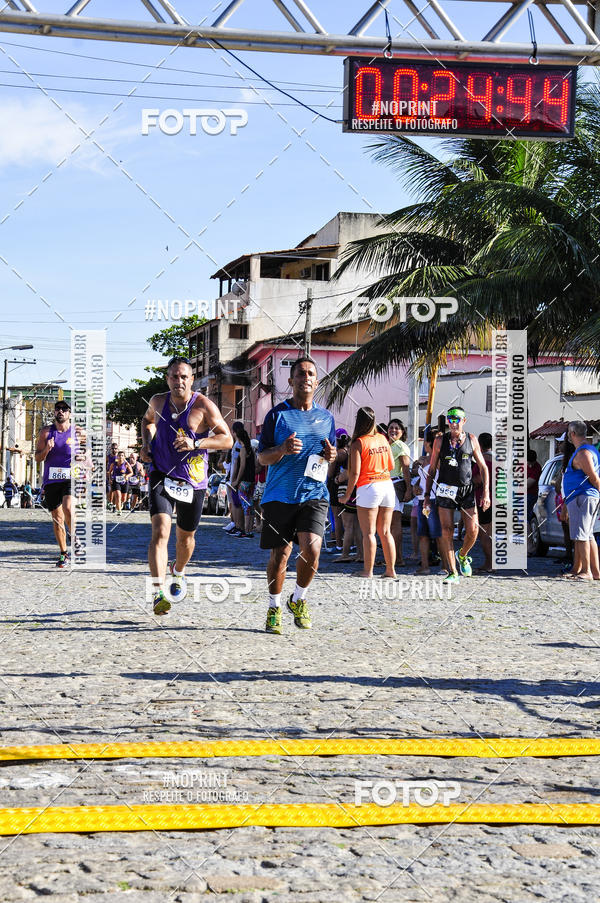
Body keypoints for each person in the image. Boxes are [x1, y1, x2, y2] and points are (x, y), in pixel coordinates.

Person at [141, 356, 233, 614]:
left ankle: (178, 571)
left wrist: (196, 444)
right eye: (174, 376)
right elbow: (147, 421)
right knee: (160, 531)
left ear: (192, 380)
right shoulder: (158, 401)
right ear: (167, 378)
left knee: (186, 539)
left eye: (184, 376)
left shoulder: (203, 406)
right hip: (161, 473)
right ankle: (159, 592)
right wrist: (147, 445)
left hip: (192, 480)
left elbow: (226, 440)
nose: (178, 381)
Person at [257, 356, 336, 634]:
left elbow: (329, 455)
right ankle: (274, 606)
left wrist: (332, 455)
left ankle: (298, 598)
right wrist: (282, 449)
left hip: (314, 493)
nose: (306, 378)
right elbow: (263, 458)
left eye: (311, 373)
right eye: (300, 374)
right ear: (291, 382)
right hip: (280, 494)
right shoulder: (276, 416)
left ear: (317, 381)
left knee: (312, 549)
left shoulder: (326, 417)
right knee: (281, 554)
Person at [425, 406, 490, 584]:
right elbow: (431, 469)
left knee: (473, 530)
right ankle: (452, 572)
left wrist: (486, 493)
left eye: (457, 419)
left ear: (464, 421)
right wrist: (426, 497)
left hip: (466, 490)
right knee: (447, 531)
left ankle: (462, 555)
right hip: (446, 489)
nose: (453, 423)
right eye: (450, 419)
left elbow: (484, 468)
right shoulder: (440, 440)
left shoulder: (471, 439)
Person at [340, 406, 396, 579]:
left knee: (369, 533)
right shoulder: (382, 438)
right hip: (387, 484)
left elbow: (355, 473)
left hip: (369, 486)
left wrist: (347, 495)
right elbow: (392, 465)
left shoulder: (358, 442)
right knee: (386, 532)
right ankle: (390, 570)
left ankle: (368, 571)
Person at [35, 399, 77, 568]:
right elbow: (38, 457)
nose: (60, 411)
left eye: (64, 409)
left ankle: (75, 537)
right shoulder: (46, 432)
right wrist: (47, 449)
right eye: (58, 409)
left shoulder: (77, 432)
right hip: (51, 480)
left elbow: (88, 456)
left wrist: (85, 459)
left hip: (70, 477)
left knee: (68, 508)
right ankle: (64, 553)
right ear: (54, 412)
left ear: (70, 414)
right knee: (57, 518)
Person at [561, 420, 600, 580]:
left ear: (572, 434)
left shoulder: (583, 453)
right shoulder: (587, 450)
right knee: (584, 534)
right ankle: (583, 569)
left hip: (583, 497)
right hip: (580, 497)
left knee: (582, 534)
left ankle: (587, 571)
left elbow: (594, 477)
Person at [414, 430, 441, 575]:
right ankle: (424, 565)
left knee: (438, 534)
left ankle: (446, 566)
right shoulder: (424, 459)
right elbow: (422, 478)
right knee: (423, 534)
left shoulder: (440, 460)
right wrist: (415, 486)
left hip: (434, 499)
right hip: (421, 500)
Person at [387, 418, 411, 567]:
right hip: (386, 485)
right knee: (388, 526)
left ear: (402, 433)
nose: (393, 430)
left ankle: (398, 558)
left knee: (395, 524)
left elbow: (406, 469)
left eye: (397, 428)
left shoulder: (400, 446)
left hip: (395, 486)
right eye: (391, 428)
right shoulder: (388, 446)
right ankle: (392, 557)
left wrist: (409, 489)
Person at [230, 422, 255, 538]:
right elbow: (255, 466)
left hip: (244, 481)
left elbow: (242, 467)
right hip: (251, 480)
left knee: (245, 506)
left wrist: (237, 481)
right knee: (250, 505)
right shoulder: (251, 450)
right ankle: (249, 530)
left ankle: (245, 531)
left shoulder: (243, 449)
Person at [473, 432, 493, 573]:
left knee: (485, 535)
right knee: (490, 534)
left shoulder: (484, 460)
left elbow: (478, 479)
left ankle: (490, 564)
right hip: (499, 499)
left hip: (484, 499)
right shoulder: (500, 459)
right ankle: (491, 563)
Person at [326, 430, 349, 553]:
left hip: (336, 484)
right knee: (347, 518)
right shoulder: (349, 451)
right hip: (347, 484)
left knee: (337, 517)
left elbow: (330, 473)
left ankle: (339, 544)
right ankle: (348, 544)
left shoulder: (338, 454)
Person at [108, 451, 133, 516]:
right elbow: (110, 472)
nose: (120, 457)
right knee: (118, 496)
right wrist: (110, 479)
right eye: (119, 455)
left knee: (123, 499)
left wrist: (127, 476)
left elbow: (131, 472)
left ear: (124, 457)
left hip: (124, 482)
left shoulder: (126, 464)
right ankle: (119, 510)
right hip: (115, 481)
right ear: (117, 457)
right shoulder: (113, 464)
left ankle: (121, 503)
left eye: (122, 455)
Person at [527, 449, 542, 522]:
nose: (530, 466)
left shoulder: (537, 468)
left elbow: (527, 484)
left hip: (530, 495)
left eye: (532, 463)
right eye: (528, 463)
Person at [106, 442, 118, 512]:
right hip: (109, 475)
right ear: (111, 449)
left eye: (115, 448)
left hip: (117, 475)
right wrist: (106, 472)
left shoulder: (120, 456)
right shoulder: (108, 456)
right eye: (113, 448)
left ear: (117, 449)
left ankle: (113, 505)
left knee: (114, 491)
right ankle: (110, 503)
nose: (114, 450)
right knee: (111, 490)